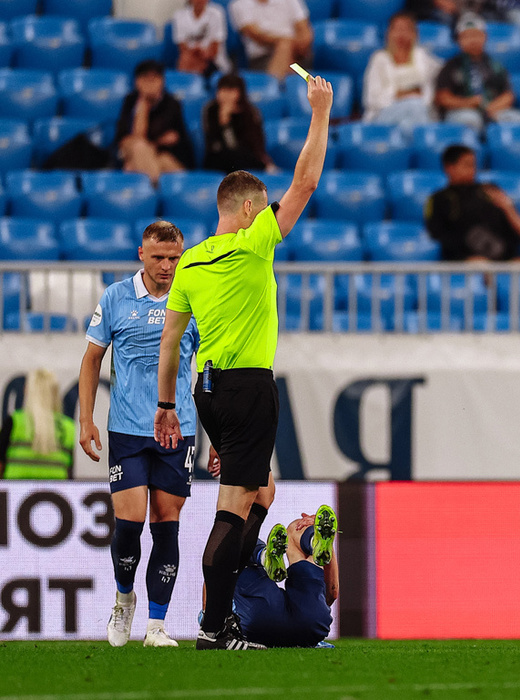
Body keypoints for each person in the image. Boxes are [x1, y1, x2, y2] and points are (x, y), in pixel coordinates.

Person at [155, 75, 333, 651]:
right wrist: (320, 111)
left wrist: (166, 405)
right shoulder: (256, 240)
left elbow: (170, 341)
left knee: (263, 494)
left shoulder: (190, 262)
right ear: (252, 208)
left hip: (207, 391)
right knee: (233, 508)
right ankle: (214, 627)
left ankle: (229, 598)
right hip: (249, 389)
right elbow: (306, 182)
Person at [78, 221, 199, 648]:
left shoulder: (193, 298)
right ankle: (124, 597)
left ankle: (156, 625)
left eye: (174, 258)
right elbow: (92, 360)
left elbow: (209, 368)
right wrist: (86, 419)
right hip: (128, 429)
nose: (167, 266)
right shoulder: (115, 297)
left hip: (178, 430)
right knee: (128, 525)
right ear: (141, 255)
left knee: (167, 525)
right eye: (159, 257)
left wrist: (219, 436)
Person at [228, 505, 338, 648]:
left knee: (233, 537)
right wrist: (328, 546)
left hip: (259, 621)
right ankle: (314, 541)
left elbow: (212, 605)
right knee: (295, 528)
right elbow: (332, 593)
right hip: (311, 625)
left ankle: (263, 556)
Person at [425, 144, 520, 261]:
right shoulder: (438, 199)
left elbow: (512, 228)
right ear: (449, 168)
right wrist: (466, 257)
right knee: (479, 265)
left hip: (505, 259)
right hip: (465, 261)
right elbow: (438, 235)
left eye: (474, 165)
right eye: (467, 165)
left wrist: (508, 208)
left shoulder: (490, 190)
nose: (472, 169)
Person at [434, 12, 520, 134]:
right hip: (462, 111)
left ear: (485, 37)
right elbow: (442, 98)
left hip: (492, 109)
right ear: (458, 40)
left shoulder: (496, 65)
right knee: (470, 120)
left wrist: (491, 108)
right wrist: (468, 103)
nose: (473, 40)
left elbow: (508, 95)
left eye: (476, 35)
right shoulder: (450, 67)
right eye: (467, 36)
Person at [362, 11, 441, 137]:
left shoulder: (423, 57)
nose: (402, 34)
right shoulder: (379, 59)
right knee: (414, 104)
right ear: (388, 33)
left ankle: (403, 145)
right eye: (397, 29)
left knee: (408, 123)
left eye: (407, 29)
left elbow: (443, 72)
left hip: (419, 113)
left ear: (415, 34)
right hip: (385, 114)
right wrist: (403, 94)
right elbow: (371, 99)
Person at [115, 61, 194, 186]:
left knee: (149, 163)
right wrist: (143, 105)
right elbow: (131, 136)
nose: (150, 84)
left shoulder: (171, 104)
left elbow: (175, 138)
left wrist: (152, 145)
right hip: (135, 150)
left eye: (154, 79)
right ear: (137, 82)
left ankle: (152, 190)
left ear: (162, 81)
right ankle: (156, 189)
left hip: (163, 155)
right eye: (145, 79)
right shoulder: (130, 101)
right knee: (139, 147)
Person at [0, 369, 74, 480]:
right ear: (55, 393)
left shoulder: (14, 421)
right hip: (56, 488)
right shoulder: (69, 427)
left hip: (16, 488)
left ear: (27, 390)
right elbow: (70, 471)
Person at [203, 73, 276, 174]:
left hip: (245, 157)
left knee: (246, 156)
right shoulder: (211, 110)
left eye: (231, 91)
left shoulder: (250, 112)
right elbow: (224, 144)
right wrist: (225, 124)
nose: (226, 95)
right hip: (219, 157)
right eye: (223, 90)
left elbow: (256, 142)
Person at [229, 0, 313, 79]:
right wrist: (285, 43)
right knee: (284, 46)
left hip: (297, 54)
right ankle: (277, 84)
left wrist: (292, 45)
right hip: (262, 60)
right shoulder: (239, 4)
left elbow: (304, 31)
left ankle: (276, 85)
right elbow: (256, 35)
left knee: (286, 47)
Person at [172, 0, 232, 76]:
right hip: (191, 57)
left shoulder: (216, 13)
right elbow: (182, 47)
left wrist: (203, 52)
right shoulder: (179, 15)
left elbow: (214, 49)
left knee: (188, 63)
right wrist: (195, 51)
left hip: (213, 61)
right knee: (185, 59)